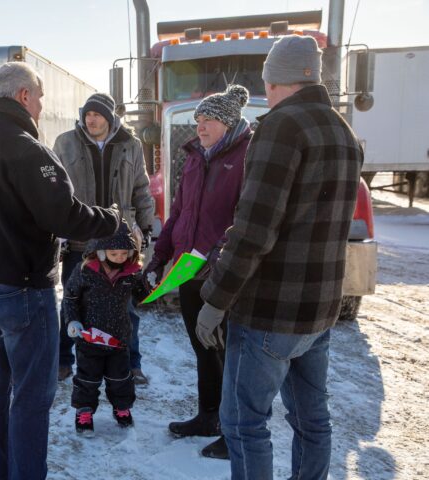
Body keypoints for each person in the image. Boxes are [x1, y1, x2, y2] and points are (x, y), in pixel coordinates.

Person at [196, 35, 364, 479]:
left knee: (243, 424)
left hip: (270, 311)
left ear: (272, 80)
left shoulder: (281, 126)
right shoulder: (342, 130)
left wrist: (214, 298)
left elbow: (253, 230)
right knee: (312, 421)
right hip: (319, 311)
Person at [0, 62, 120, 480]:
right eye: (40, 96)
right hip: (22, 290)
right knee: (30, 395)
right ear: (23, 95)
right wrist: (112, 219)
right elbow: (65, 216)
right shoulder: (26, 148)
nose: (42, 105)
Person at [143, 84, 252, 459]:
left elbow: (245, 219)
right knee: (202, 346)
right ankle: (209, 416)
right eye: (198, 120)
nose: (199, 127)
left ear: (227, 122)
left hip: (223, 274)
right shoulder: (194, 157)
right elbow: (179, 213)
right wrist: (159, 257)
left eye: (207, 120)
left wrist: (217, 258)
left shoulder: (245, 157)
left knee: (227, 352)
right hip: (189, 269)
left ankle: (233, 430)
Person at [53, 93, 154, 384]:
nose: (90, 119)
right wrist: (57, 232)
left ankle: (131, 364)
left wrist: (145, 229)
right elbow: (55, 192)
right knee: (71, 301)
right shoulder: (65, 142)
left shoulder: (130, 145)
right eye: (87, 114)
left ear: (109, 118)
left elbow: (141, 188)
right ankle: (62, 361)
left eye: (96, 115)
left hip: (118, 238)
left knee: (125, 306)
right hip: (80, 238)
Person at [62, 220, 149, 436]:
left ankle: (122, 408)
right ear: (100, 252)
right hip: (89, 337)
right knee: (87, 379)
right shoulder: (85, 271)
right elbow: (70, 297)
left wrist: (151, 286)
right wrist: (72, 320)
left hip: (118, 338)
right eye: (113, 253)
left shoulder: (131, 273)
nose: (120, 258)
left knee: (120, 378)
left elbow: (142, 297)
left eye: (123, 253)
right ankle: (84, 412)